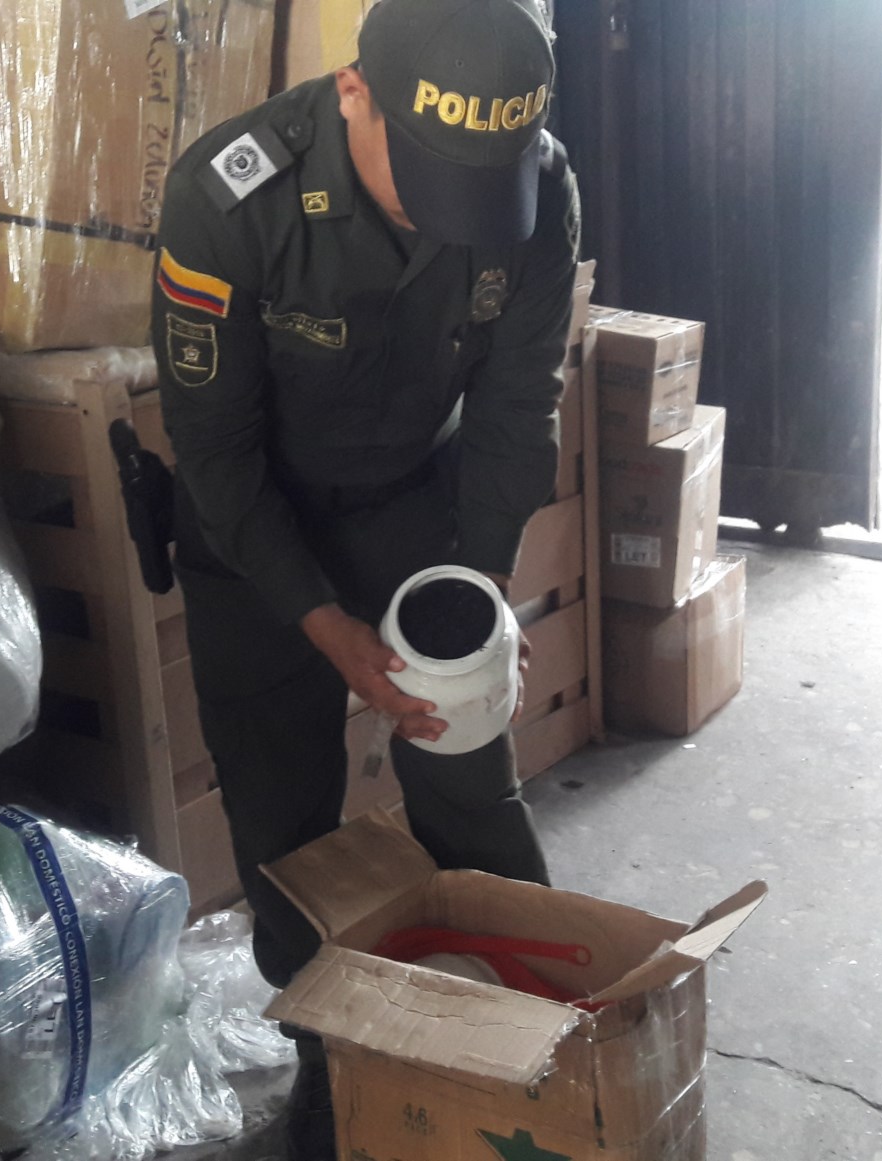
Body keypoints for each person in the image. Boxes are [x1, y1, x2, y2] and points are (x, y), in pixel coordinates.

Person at [151, 0, 576, 1154]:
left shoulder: (540, 186)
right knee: (285, 821)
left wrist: (481, 599)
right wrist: (322, 623)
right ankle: (329, 1065)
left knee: (468, 778)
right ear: (354, 95)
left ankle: (525, 1057)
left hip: (417, 512)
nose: (454, 219)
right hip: (257, 538)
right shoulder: (227, 200)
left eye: (481, 191)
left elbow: (516, 408)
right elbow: (218, 456)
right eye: (429, 182)